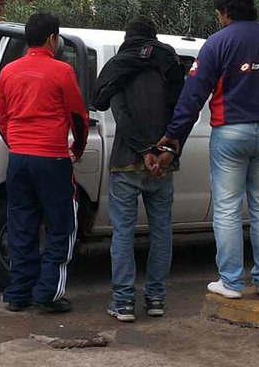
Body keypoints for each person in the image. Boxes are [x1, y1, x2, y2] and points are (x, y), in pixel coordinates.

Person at [159, 0, 259, 299]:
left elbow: (193, 94)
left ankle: (232, 282)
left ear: (224, 13)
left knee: (227, 208)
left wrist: (174, 137)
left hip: (230, 133)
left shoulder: (217, 43)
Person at [0, 13, 89, 313]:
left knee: (21, 227)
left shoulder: (9, 71)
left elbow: (2, 117)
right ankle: (48, 293)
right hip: (52, 159)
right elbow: (78, 117)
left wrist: (17, 145)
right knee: (62, 226)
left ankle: (17, 293)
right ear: (53, 38)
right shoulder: (62, 71)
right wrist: (78, 148)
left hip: (19, 160)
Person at [93, 16, 184, 322]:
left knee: (123, 234)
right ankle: (156, 299)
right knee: (161, 232)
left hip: (126, 163)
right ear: (153, 38)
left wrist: (144, 151)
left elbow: (119, 114)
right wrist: (162, 151)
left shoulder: (120, 68)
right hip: (164, 164)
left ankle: (124, 303)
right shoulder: (167, 65)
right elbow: (179, 111)